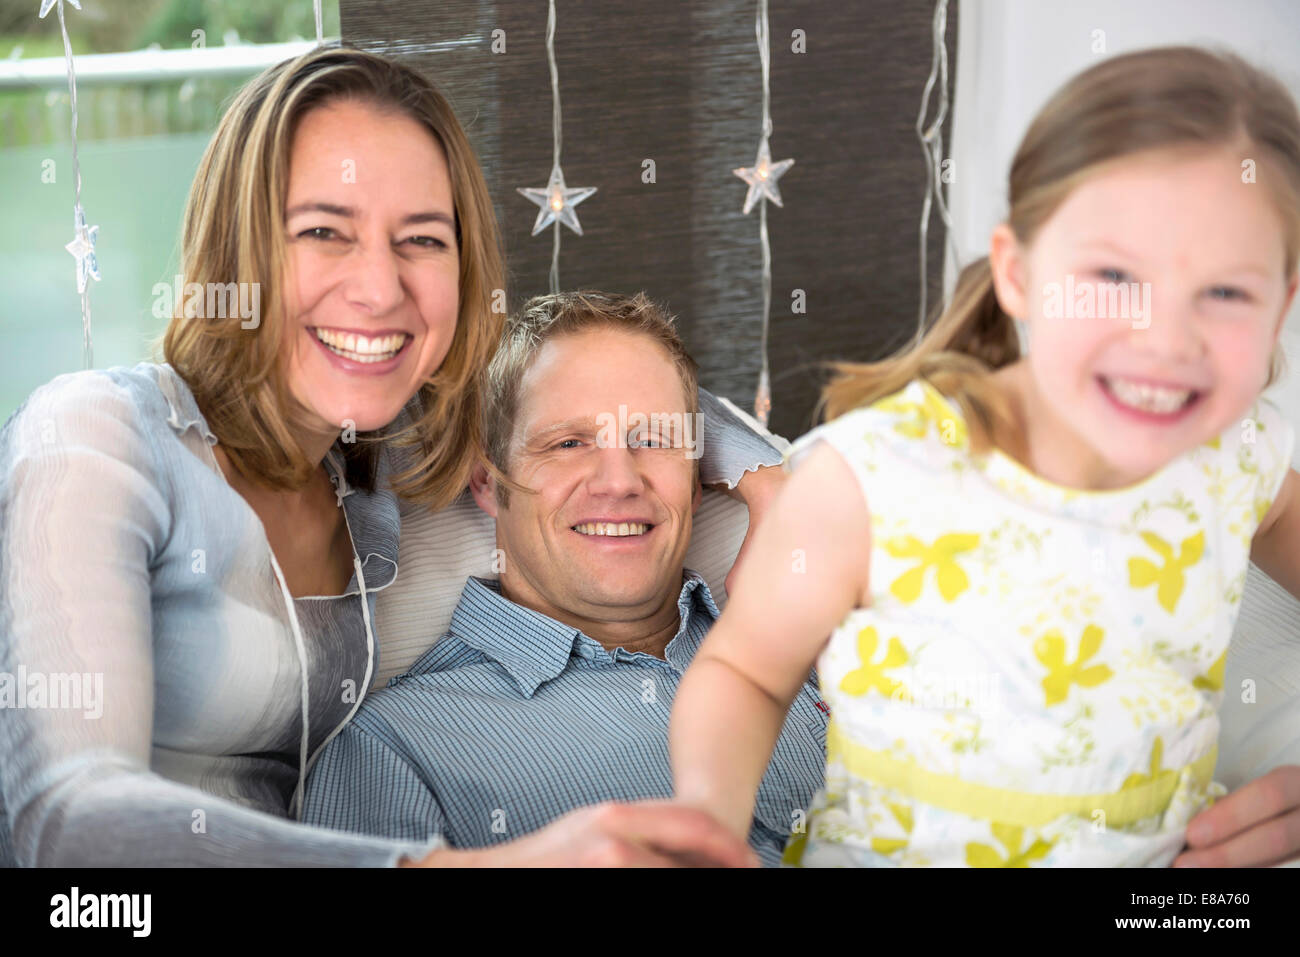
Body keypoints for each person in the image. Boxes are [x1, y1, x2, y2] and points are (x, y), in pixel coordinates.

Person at [0, 45, 779, 868]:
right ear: (239, 248)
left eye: (422, 240)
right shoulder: (96, 434)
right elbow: (61, 823)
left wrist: (774, 484)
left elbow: (594, 390)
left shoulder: (380, 465)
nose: (379, 288)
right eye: (324, 231)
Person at [667, 46, 1300, 867]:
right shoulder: (879, 476)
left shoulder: (1236, 459)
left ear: (1283, 300)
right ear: (1019, 273)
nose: (1166, 341)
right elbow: (746, 674)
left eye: (1225, 292)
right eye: (1113, 275)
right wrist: (709, 817)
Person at [301, 292, 827, 866]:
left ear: (698, 478)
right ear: (485, 481)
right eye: (569, 443)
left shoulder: (821, 648)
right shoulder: (393, 749)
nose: (619, 482)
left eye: (652, 441)